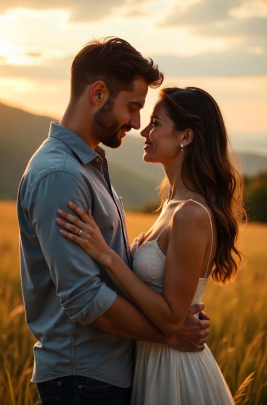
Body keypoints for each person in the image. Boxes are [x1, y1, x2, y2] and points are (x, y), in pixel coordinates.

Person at [17, 38, 210, 405]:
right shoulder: (61, 175)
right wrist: (169, 333)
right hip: (83, 379)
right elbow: (84, 298)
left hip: (103, 374)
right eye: (133, 107)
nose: (138, 123)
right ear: (99, 93)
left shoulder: (88, 165)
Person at [56, 86, 246, 404]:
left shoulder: (189, 214)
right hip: (151, 360)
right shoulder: (172, 203)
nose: (143, 130)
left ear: (186, 137)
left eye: (156, 123)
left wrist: (107, 256)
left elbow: (172, 318)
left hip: (175, 368)